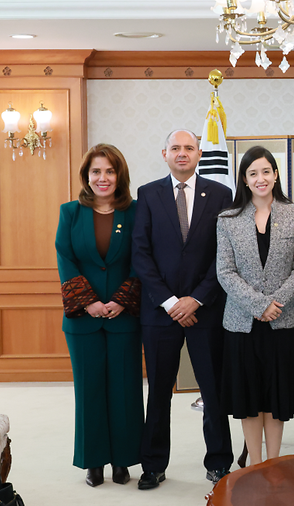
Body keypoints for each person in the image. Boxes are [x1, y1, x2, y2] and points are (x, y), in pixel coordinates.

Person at [132, 129, 233, 489]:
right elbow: (140, 255)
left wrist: (197, 298)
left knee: (213, 389)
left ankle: (220, 462)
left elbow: (225, 254)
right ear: (164, 153)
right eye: (175, 148)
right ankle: (154, 464)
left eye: (189, 148)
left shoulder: (222, 195)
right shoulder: (147, 194)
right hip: (160, 312)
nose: (182, 154)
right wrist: (173, 302)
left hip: (206, 310)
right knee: (159, 391)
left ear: (199, 153)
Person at [55, 144, 143, 487]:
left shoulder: (136, 212)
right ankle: (93, 462)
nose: (103, 178)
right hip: (82, 319)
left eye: (109, 171)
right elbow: (65, 259)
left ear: (119, 175)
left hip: (125, 315)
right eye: (96, 172)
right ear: (86, 176)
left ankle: (123, 461)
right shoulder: (70, 213)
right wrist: (89, 301)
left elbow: (143, 259)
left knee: (124, 389)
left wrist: (122, 299)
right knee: (89, 389)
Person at [216, 146, 294, 464]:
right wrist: (259, 304)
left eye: (266, 171)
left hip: (281, 322)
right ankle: (254, 463)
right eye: (253, 173)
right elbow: (225, 272)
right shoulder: (228, 219)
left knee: (276, 396)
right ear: (244, 179)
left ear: (275, 174)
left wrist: (277, 303)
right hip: (242, 323)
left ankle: (274, 462)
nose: (261, 178)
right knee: (248, 397)